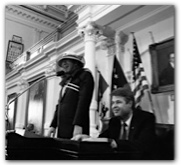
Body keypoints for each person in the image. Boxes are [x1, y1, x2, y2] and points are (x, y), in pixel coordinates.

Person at [72, 87, 156, 159]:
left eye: (118, 102)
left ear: (130, 103)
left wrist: (114, 142)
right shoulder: (114, 121)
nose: (113, 106)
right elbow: (102, 139)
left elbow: (142, 145)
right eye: (112, 103)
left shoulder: (145, 118)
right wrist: (87, 138)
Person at [47, 52, 94, 139]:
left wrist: (78, 124)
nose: (63, 64)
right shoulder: (67, 81)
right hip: (62, 128)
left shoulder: (85, 75)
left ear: (75, 63)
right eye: (62, 62)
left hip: (76, 128)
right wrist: (53, 126)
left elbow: (84, 101)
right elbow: (60, 105)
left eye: (67, 60)